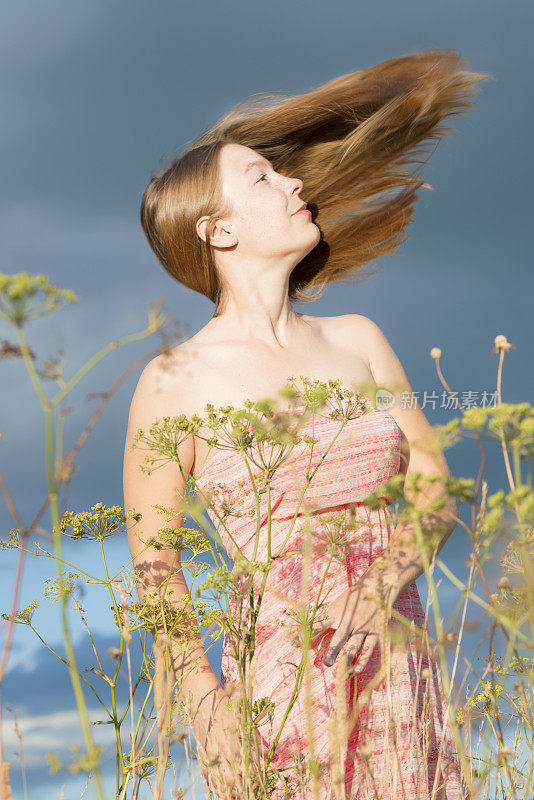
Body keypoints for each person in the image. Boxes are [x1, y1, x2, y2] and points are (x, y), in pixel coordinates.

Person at [123, 49, 490, 798]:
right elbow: (157, 575)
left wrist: (389, 575)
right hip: (283, 677)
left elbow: (435, 492)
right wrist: (209, 712)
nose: (294, 183)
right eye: (262, 177)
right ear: (216, 232)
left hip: (398, 657)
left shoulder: (359, 339)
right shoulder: (171, 383)